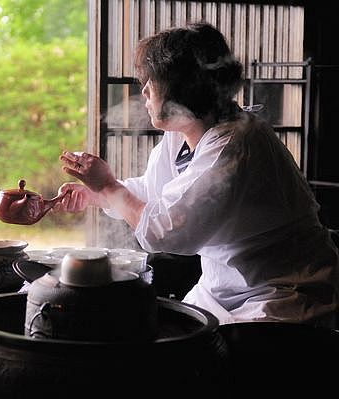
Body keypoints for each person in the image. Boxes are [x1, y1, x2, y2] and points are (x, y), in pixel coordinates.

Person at [55, 22, 339, 327]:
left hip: (282, 295)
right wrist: (93, 194)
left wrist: (109, 187)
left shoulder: (236, 141)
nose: (144, 90)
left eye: (153, 81)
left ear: (184, 87)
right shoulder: (182, 135)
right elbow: (153, 194)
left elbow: (167, 230)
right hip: (222, 291)